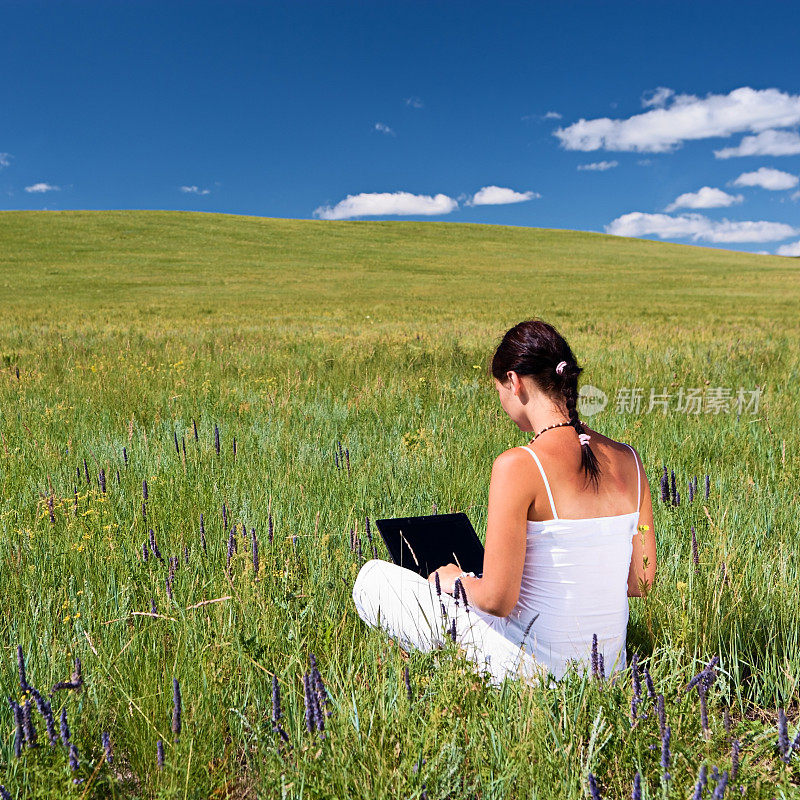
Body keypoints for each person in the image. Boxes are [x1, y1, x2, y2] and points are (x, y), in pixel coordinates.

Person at [352, 319, 656, 686]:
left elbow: (498, 600)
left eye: (498, 388)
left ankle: (431, 671)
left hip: (529, 673)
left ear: (514, 381)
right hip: (608, 671)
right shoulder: (631, 461)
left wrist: (456, 580)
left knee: (373, 579)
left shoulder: (520, 465)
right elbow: (641, 581)